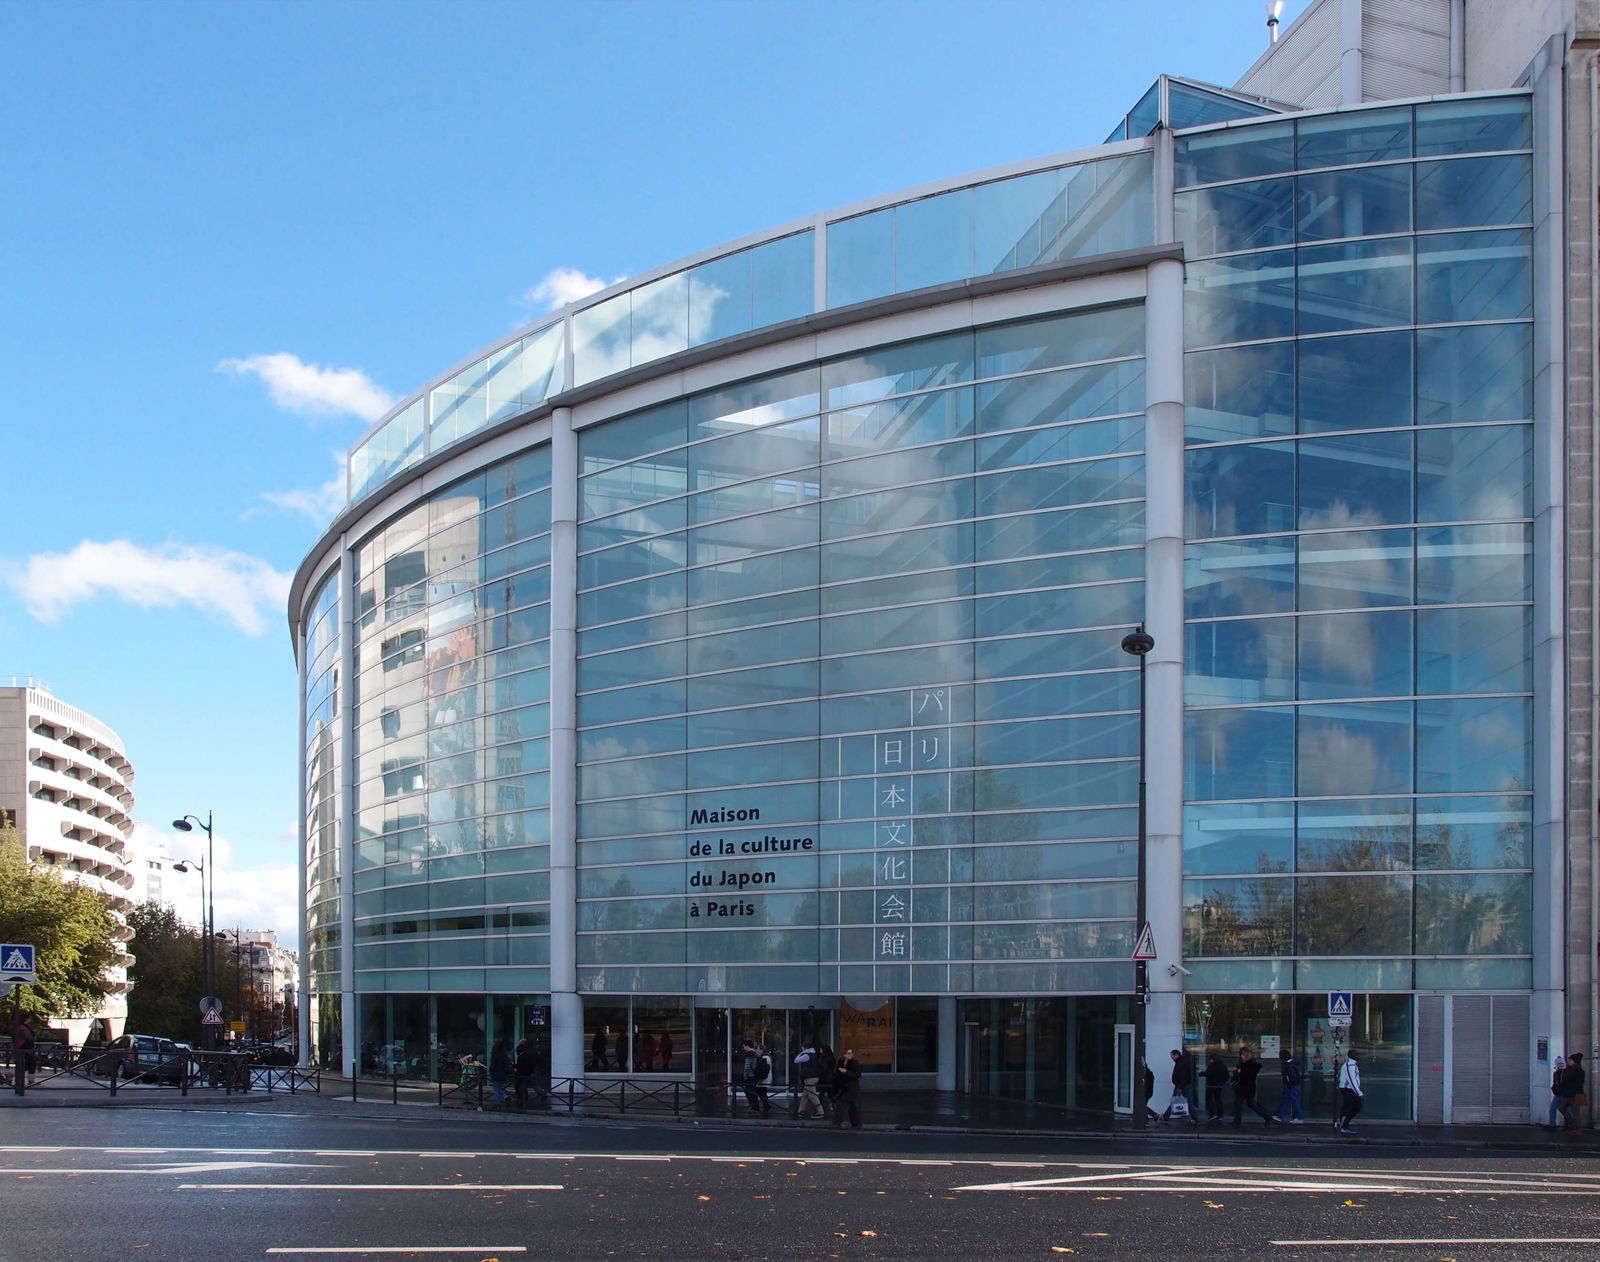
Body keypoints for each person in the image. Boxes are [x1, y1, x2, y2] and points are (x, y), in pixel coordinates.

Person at [1232, 1047, 1274, 1126]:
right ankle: (1267, 1117)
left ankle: (1237, 1121)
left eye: (1243, 1055)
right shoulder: (1250, 1065)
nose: (1241, 1056)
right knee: (1251, 1104)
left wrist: (1239, 1073)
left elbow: (1246, 1075)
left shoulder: (1248, 1065)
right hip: (1249, 1087)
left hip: (1244, 1087)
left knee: (1239, 1104)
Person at [1161, 1049, 1197, 1124]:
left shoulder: (1181, 1063)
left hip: (1181, 1085)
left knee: (1180, 1100)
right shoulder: (1181, 1062)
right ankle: (1166, 1116)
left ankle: (1166, 1116)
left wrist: (1180, 1087)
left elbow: (1183, 1076)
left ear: (1176, 1055)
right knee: (1178, 1100)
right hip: (1181, 1085)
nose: (1171, 1058)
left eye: (1172, 1056)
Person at [830, 1047, 863, 1129]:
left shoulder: (855, 1063)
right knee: (851, 1106)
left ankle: (837, 1122)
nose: (850, 1055)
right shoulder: (841, 1062)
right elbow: (837, 1075)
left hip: (852, 1088)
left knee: (843, 1104)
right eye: (848, 1053)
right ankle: (856, 1124)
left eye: (851, 1053)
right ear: (844, 1055)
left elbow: (857, 1075)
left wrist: (846, 1072)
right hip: (844, 1087)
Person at [1334, 1049, 1364, 1134]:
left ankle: (1343, 1122)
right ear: (1352, 1056)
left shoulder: (1351, 1065)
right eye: (1356, 1054)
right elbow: (1352, 1080)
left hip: (1349, 1089)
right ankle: (1344, 1125)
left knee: (1351, 1106)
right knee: (1352, 1107)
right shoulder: (1350, 1066)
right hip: (1348, 1089)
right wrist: (1359, 1093)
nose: (1358, 1056)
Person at [739, 1039, 770, 1115]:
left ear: (747, 1046)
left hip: (750, 1076)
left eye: (744, 1046)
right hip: (756, 1075)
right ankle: (755, 1107)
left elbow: (747, 1066)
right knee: (752, 1091)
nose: (744, 1048)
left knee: (749, 1092)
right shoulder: (757, 1053)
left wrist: (745, 1075)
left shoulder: (749, 1054)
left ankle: (755, 1108)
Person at [794, 1040, 822, 1118]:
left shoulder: (806, 1055)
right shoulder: (814, 1055)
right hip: (814, 1076)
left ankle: (820, 1112)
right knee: (805, 1095)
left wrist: (801, 1053)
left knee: (812, 1095)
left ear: (805, 1048)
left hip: (809, 1077)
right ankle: (800, 1111)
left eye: (802, 1048)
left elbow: (796, 1060)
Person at [1276, 1049, 1305, 1123]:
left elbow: (1291, 1076)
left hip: (1292, 1085)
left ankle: (1299, 1117)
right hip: (1294, 1084)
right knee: (1288, 1100)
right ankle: (1280, 1116)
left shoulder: (1288, 1065)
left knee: (1293, 1100)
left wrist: (1289, 1084)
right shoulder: (1294, 1063)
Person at [1559, 1052, 1586, 1130]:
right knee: (1562, 1108)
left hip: (1574, 1094)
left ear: (1575, 1062)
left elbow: (1576, 1083)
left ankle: (1575, 1128)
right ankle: (1572, 1124)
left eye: (1571, 1060)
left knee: (1575, 1112)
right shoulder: (1569, 1070)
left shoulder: (1578, 1071)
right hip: (1568, 1093)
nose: (1569, 1062)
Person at [1203, 1052, 1230, 1122]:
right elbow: (1227, 1076)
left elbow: (1208, 1073)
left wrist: (1201, 1073)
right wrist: (1222, 1082)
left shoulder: (1211, 1065)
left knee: (1209, 1100)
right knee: (1218, 1100)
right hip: (1219, 1085)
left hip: (1211, 1085)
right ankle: (1220, 1115)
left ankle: (1212, 1114)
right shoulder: (1222, 1065)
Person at [513, 1035, 538, 1110]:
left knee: (520, 1087)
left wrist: (514, 1065)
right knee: (527, 1085)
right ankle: (524, 1099)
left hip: (521, 1074)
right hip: (527, 1073)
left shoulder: (522, 1056)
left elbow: (520, 1066)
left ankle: (522, 1100)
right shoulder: (529, 1053)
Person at [12, 1017, 36, 1094]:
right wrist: (34, 1038)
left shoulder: (18, 1027)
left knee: (26, 1064)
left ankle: (30, 1080)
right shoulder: (23, 1028)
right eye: (29, 1018)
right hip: (25, 1048)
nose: (30, 1019)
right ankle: (30, 1081)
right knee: (28, 1064)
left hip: (23, 1047)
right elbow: (30, 1038)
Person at [487, 1038, 510, 1109]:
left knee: (496, 1089)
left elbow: (493, 1065)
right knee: (498, 1087)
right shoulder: (504, 1054)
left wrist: (490, 1070)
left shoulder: (495, 1054)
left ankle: (497, 1103)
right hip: (502, 1073)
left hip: (496, 1073)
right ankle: (505, 1096)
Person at [1546, 1055, 1567, 1127]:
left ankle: (1571, 1125)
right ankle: (1552, 1125)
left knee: (1567, 1110)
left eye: (1562, 1063)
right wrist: (1554, 1089)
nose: (1561, 1065)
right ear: (1556, 1064)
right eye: (1559, 1063)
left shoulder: (1566, 1073)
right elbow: (1555, 1083)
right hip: (1558, 1094)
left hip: (1564, 1094)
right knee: (1552, 1109)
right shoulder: (1555, 1073)